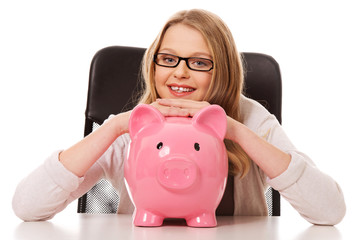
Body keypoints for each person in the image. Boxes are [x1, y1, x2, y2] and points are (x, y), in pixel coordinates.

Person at [12, 9, 345, 225]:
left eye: (199, 62)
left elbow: (330, 211)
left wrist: (239, 133)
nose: (180, 73)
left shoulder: (250, 118)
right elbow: (28, 207)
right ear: (153, 64)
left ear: (222, 72)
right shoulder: (130, 128)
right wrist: (113, 127)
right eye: (168, 59)